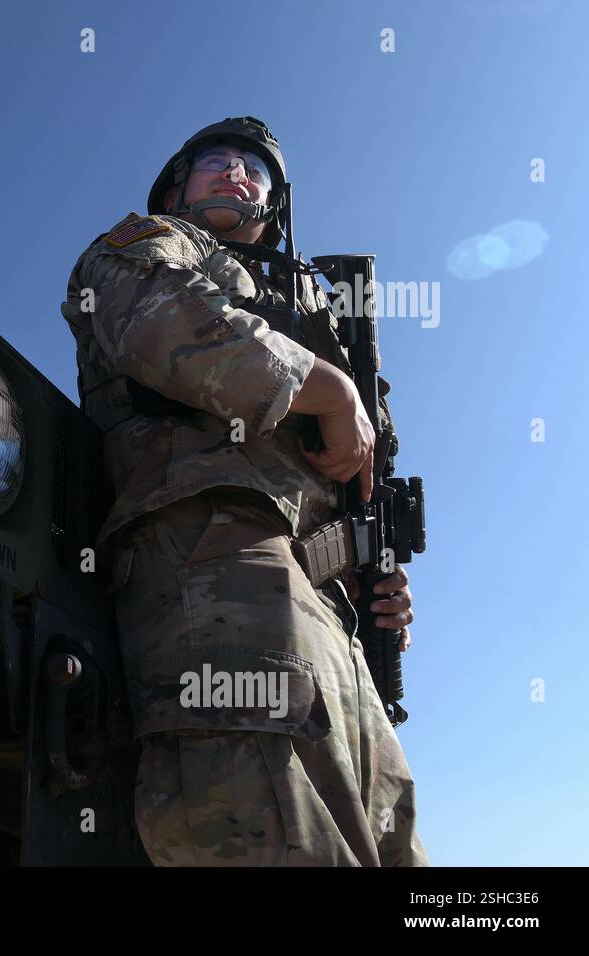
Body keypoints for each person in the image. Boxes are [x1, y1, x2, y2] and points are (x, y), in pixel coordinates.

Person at [60, 117, 428, 866]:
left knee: (396, 848)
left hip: (327, 609)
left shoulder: (310, 307)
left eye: (254, 170)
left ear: (276, 205)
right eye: (215, 163)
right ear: (175, 188)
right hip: (214, 556)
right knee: (267, 826)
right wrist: (327, 390)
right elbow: (156, 318)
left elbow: (342, 484)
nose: (236, 175)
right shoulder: (154, 244)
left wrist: (366, 574)